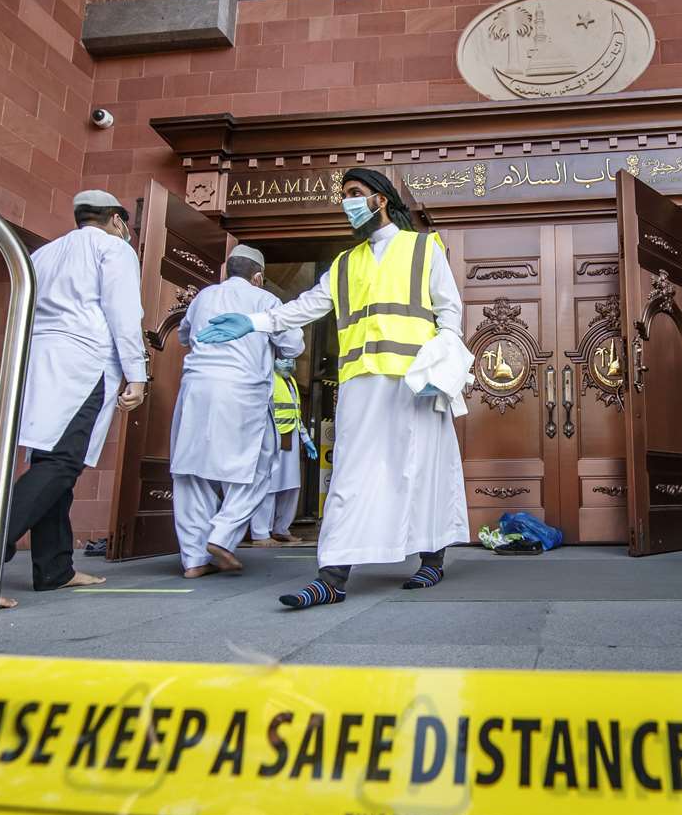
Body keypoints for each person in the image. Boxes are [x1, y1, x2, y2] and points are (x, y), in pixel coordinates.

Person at [195, 168, 468, 608]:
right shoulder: (344, 264)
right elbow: (304, 308)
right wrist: (254, 321)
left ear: (381, 199)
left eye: (356, 194)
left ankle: (432, 559)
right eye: (344, 196)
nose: (348, 203)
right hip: (361, 385)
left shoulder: (423, 248)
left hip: (416, 382)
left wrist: (444, 366)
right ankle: (332, 577)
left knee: (422, 470)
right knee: (349, 476)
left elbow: (450, 313)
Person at [0, 190, 147, 608]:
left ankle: (55, 568)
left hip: (38, 360)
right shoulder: (114, 250)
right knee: (61, 464)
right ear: (116, 219)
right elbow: (125, 314)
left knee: (50, 462)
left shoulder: (44, 253)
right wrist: (138, 375)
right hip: (83, 363)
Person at [170, 244, 303, 578]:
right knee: (259, 464)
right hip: (242, 392)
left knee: (191, 472)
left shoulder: (203, 296)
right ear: (258, 277)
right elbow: (292, 345)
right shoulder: (266, 301)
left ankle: (194, 560)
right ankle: (223, 534)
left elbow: (185, 336)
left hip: (196, 388)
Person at [247, 355, 314, 544]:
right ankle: (261, 532)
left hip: (290, 438)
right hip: (272, 437)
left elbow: (296, 412)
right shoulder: (268, 378)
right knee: (269, 486)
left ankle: (281, 528)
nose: (288, 363)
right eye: (283, 359)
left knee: (291, 486)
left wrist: (305, 438)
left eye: (291, 360)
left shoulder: (291, 382)